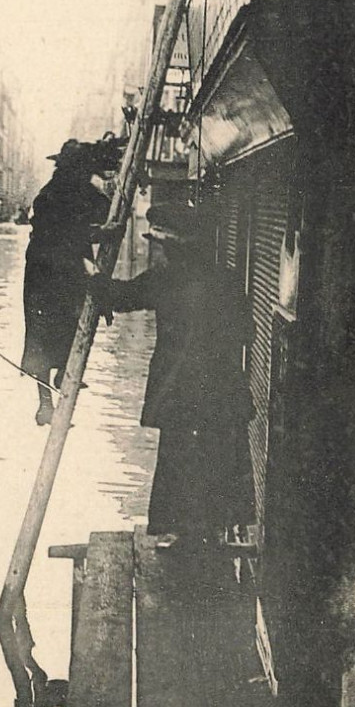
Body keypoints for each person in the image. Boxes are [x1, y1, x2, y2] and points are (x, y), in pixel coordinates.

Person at [90, 202, 256, 548]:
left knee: (180, 458)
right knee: (216, 457)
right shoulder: (225, 280)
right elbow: (247, 333)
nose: (161, 253)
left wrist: (92, 280)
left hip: (183, 390)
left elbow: (121, 295)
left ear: (177, 249)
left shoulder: (167, 280)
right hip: (221, 391)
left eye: (163, 246)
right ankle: (212, 532)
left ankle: (185, 535)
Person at [21, 138, 119, 426]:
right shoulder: (50, 196)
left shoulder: (79, 193)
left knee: (65, 328)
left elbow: (98, 214)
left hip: (66, 272)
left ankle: (63, 377)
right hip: (44, 275)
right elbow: (64, 234)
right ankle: (44, 405)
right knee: (41, 338)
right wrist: (99, 232)